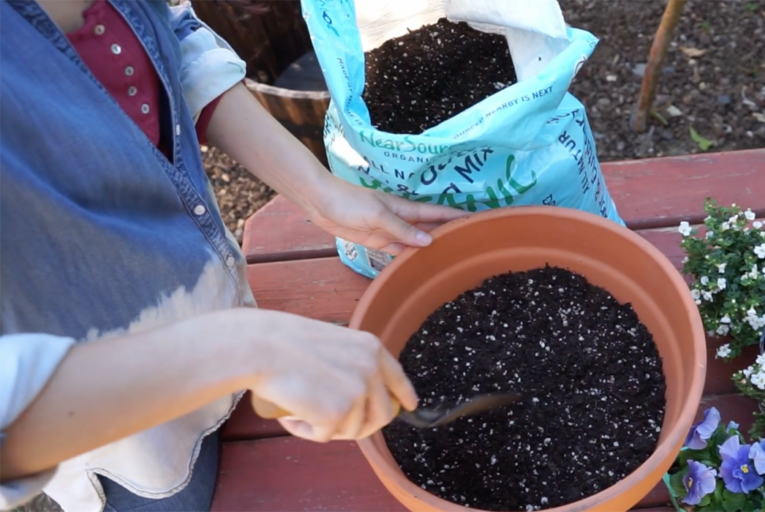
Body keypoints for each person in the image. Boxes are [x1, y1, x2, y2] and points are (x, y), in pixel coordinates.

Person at [0, 0, 468, 509]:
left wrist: (317, 192)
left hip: (221, 319)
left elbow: (169, 46)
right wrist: (237, 349)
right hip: (120, 432)